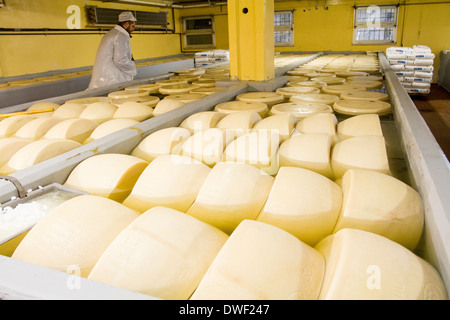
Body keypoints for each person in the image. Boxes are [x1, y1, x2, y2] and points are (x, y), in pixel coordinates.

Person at [88, 11, 137, 89]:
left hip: (102, 81)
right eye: (133, 26)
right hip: (112, 81)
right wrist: (133, 66)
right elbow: (121, 60)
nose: (133, 29)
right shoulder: (120, 36)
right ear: (127, 24)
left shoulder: (110, 34)